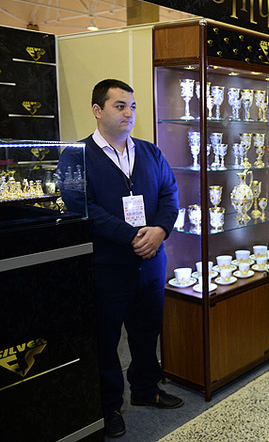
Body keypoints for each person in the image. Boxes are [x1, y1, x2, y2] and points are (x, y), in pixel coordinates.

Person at [58, 79, 181, 438]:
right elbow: (81, 206)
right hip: (107, 266)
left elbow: (170, 194)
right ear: (97, 110)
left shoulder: (150, 152)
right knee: (107, 340)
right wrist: (132, 236)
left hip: (151, 262)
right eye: (120, 106)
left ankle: (146, 389)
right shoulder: (75, 156)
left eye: (133, 106)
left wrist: (160, 230)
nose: (129, 113)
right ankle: (109, 406)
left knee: (146, 332)